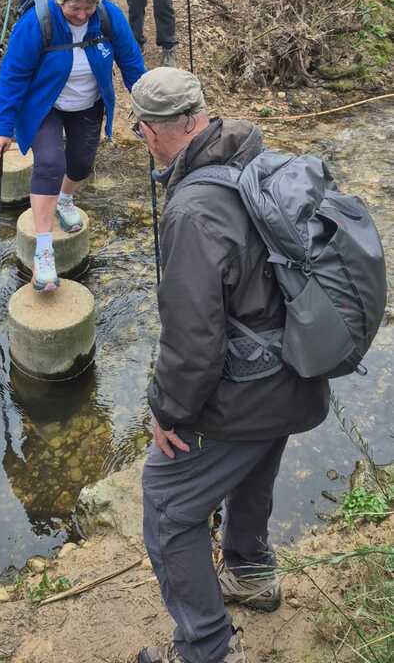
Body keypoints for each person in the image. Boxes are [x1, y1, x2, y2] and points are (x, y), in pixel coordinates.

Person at [129, 67, 330, 663]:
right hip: (296, 373)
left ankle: (207, 649)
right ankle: (251, 573)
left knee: (167, 503)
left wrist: (168, 411)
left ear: (153, 130)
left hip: (250, 389)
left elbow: (194, 340)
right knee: (252, 465)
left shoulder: (192, 211)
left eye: (140, 130)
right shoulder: (254, 159)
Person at [0, 0, 145, 293]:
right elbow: (13, 75)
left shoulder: (108, 17)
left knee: (81, 164)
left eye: (88, 8)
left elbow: (131, 62)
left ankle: (64, 199)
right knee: (50, 163)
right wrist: (2, 128)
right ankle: (44, 251)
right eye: (75, 8)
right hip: (45, 105)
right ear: (60, 0)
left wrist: (148, 108)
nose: (82, 15)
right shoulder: (38, 21)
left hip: (88, 103)